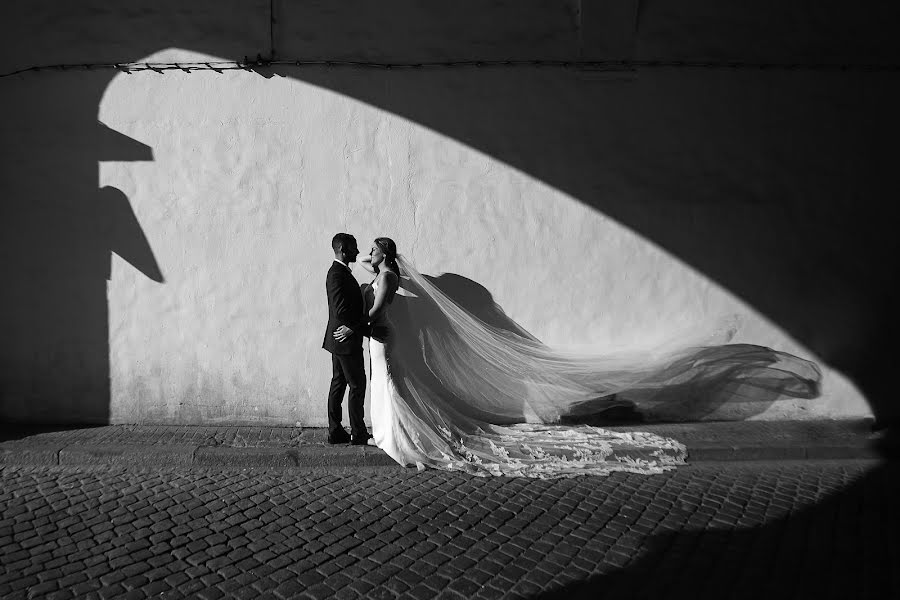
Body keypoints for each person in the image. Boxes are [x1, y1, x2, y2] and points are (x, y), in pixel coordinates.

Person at [349, 238, 821, 478]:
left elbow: (376, 311)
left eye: (370, 249)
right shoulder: (394, 276)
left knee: (394, 389)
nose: (366, 255)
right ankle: (391, 435)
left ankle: (402, 440)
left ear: (382, 253)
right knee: (394, 389)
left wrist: (358, 321)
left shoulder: (388, 277)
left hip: (381, 339)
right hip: (384, 339)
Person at [323, 233, 371, 445]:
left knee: (339, 383)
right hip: (344, 339)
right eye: (353, 248)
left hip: (339, 339)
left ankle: (335, 431)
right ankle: (358, 433)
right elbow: (341, 309)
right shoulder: (337, 274)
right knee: (357, 384)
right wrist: (353, 328)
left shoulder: (340, 272)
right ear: (342, 249)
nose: (358, 252)